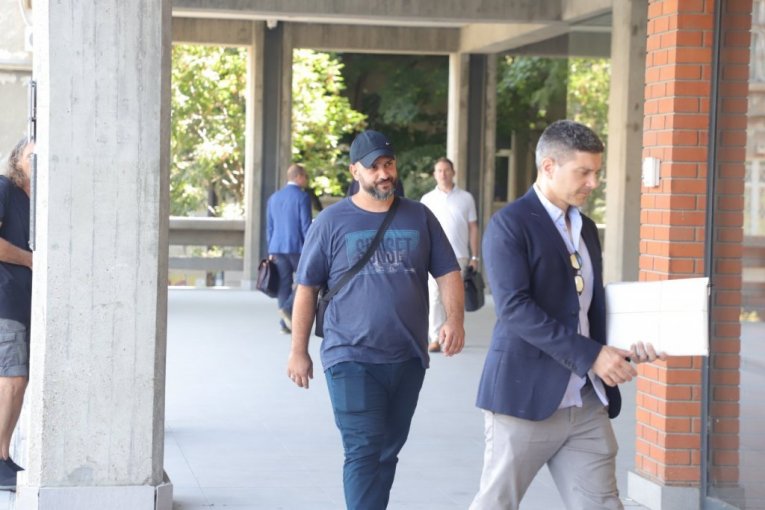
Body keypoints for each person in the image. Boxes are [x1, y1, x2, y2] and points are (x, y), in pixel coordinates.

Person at [469, 120, 664, 510]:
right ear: (549, 167)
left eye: (597, 173)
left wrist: (628, 345)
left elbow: (587, 305)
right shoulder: (510, 224)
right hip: (524, 399)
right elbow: (514, 308)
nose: (594, 183)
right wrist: (592, 355)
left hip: (587, 402)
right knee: (496, 504)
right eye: (584, 172)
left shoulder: (586, 227)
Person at [287, 129, 465, 510]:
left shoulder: (420, 216)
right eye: (374, 167)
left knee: (387, 451)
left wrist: (455, 320)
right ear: (355, 171)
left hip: (408, 357)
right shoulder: (331, 222)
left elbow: (448, 270)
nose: (384, 174)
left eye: (389, 164)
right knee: (364, 449)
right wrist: (298, 351)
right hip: (350, 357)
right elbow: (307, 287)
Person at [0, 138, 34, 490]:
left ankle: (3, 457)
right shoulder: (3, 188)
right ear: (17, 159)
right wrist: (30, 260)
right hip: (4, 300)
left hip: (22, 303)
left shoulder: (34, 202)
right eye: (31, 155)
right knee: (13, 379)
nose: (37, 161)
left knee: (15, 381)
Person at [420, 157, 479, 352]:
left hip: (459, 255)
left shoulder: (466, 198)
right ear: (434, 174)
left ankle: (453, 335)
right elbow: (422, 230)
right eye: (439, 170)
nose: (443, 174)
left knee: (454, 298)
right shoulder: (427, 199)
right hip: (432, 256)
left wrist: (475, 256)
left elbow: (473, 228)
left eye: (446, 170)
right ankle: (435, 338)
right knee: (435, 297)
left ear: (453, 172)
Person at [266, 163, 312, 334]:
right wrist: (311, 247)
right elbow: (305, 225)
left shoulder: (274, 198)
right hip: (297, 246)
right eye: (305, 176)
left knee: (283, 285)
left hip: (277, 247)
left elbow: (270, 227)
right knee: (305, 280)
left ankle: (285, 324)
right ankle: (287, 308)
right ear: (298, 176)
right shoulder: (302, 197)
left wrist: (270, 250)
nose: (306, 180)